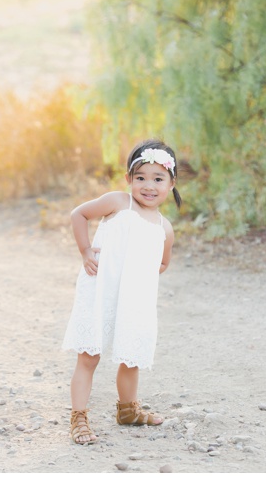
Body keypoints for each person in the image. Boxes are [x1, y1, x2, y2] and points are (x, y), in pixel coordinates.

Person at [61, 139, 181, 445]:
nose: (148, 186)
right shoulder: (118, 203)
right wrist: (86, 250)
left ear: (171, 183)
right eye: (140, 178)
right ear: (129, 179)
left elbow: (163, 262)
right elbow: (79, 214)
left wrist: (139, 275)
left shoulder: (164, 228)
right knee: (89, 355)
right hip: (101, 288)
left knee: (132, 356)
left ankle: (128, 410)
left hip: (135, 299)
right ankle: (79, 418)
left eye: (157, 179)